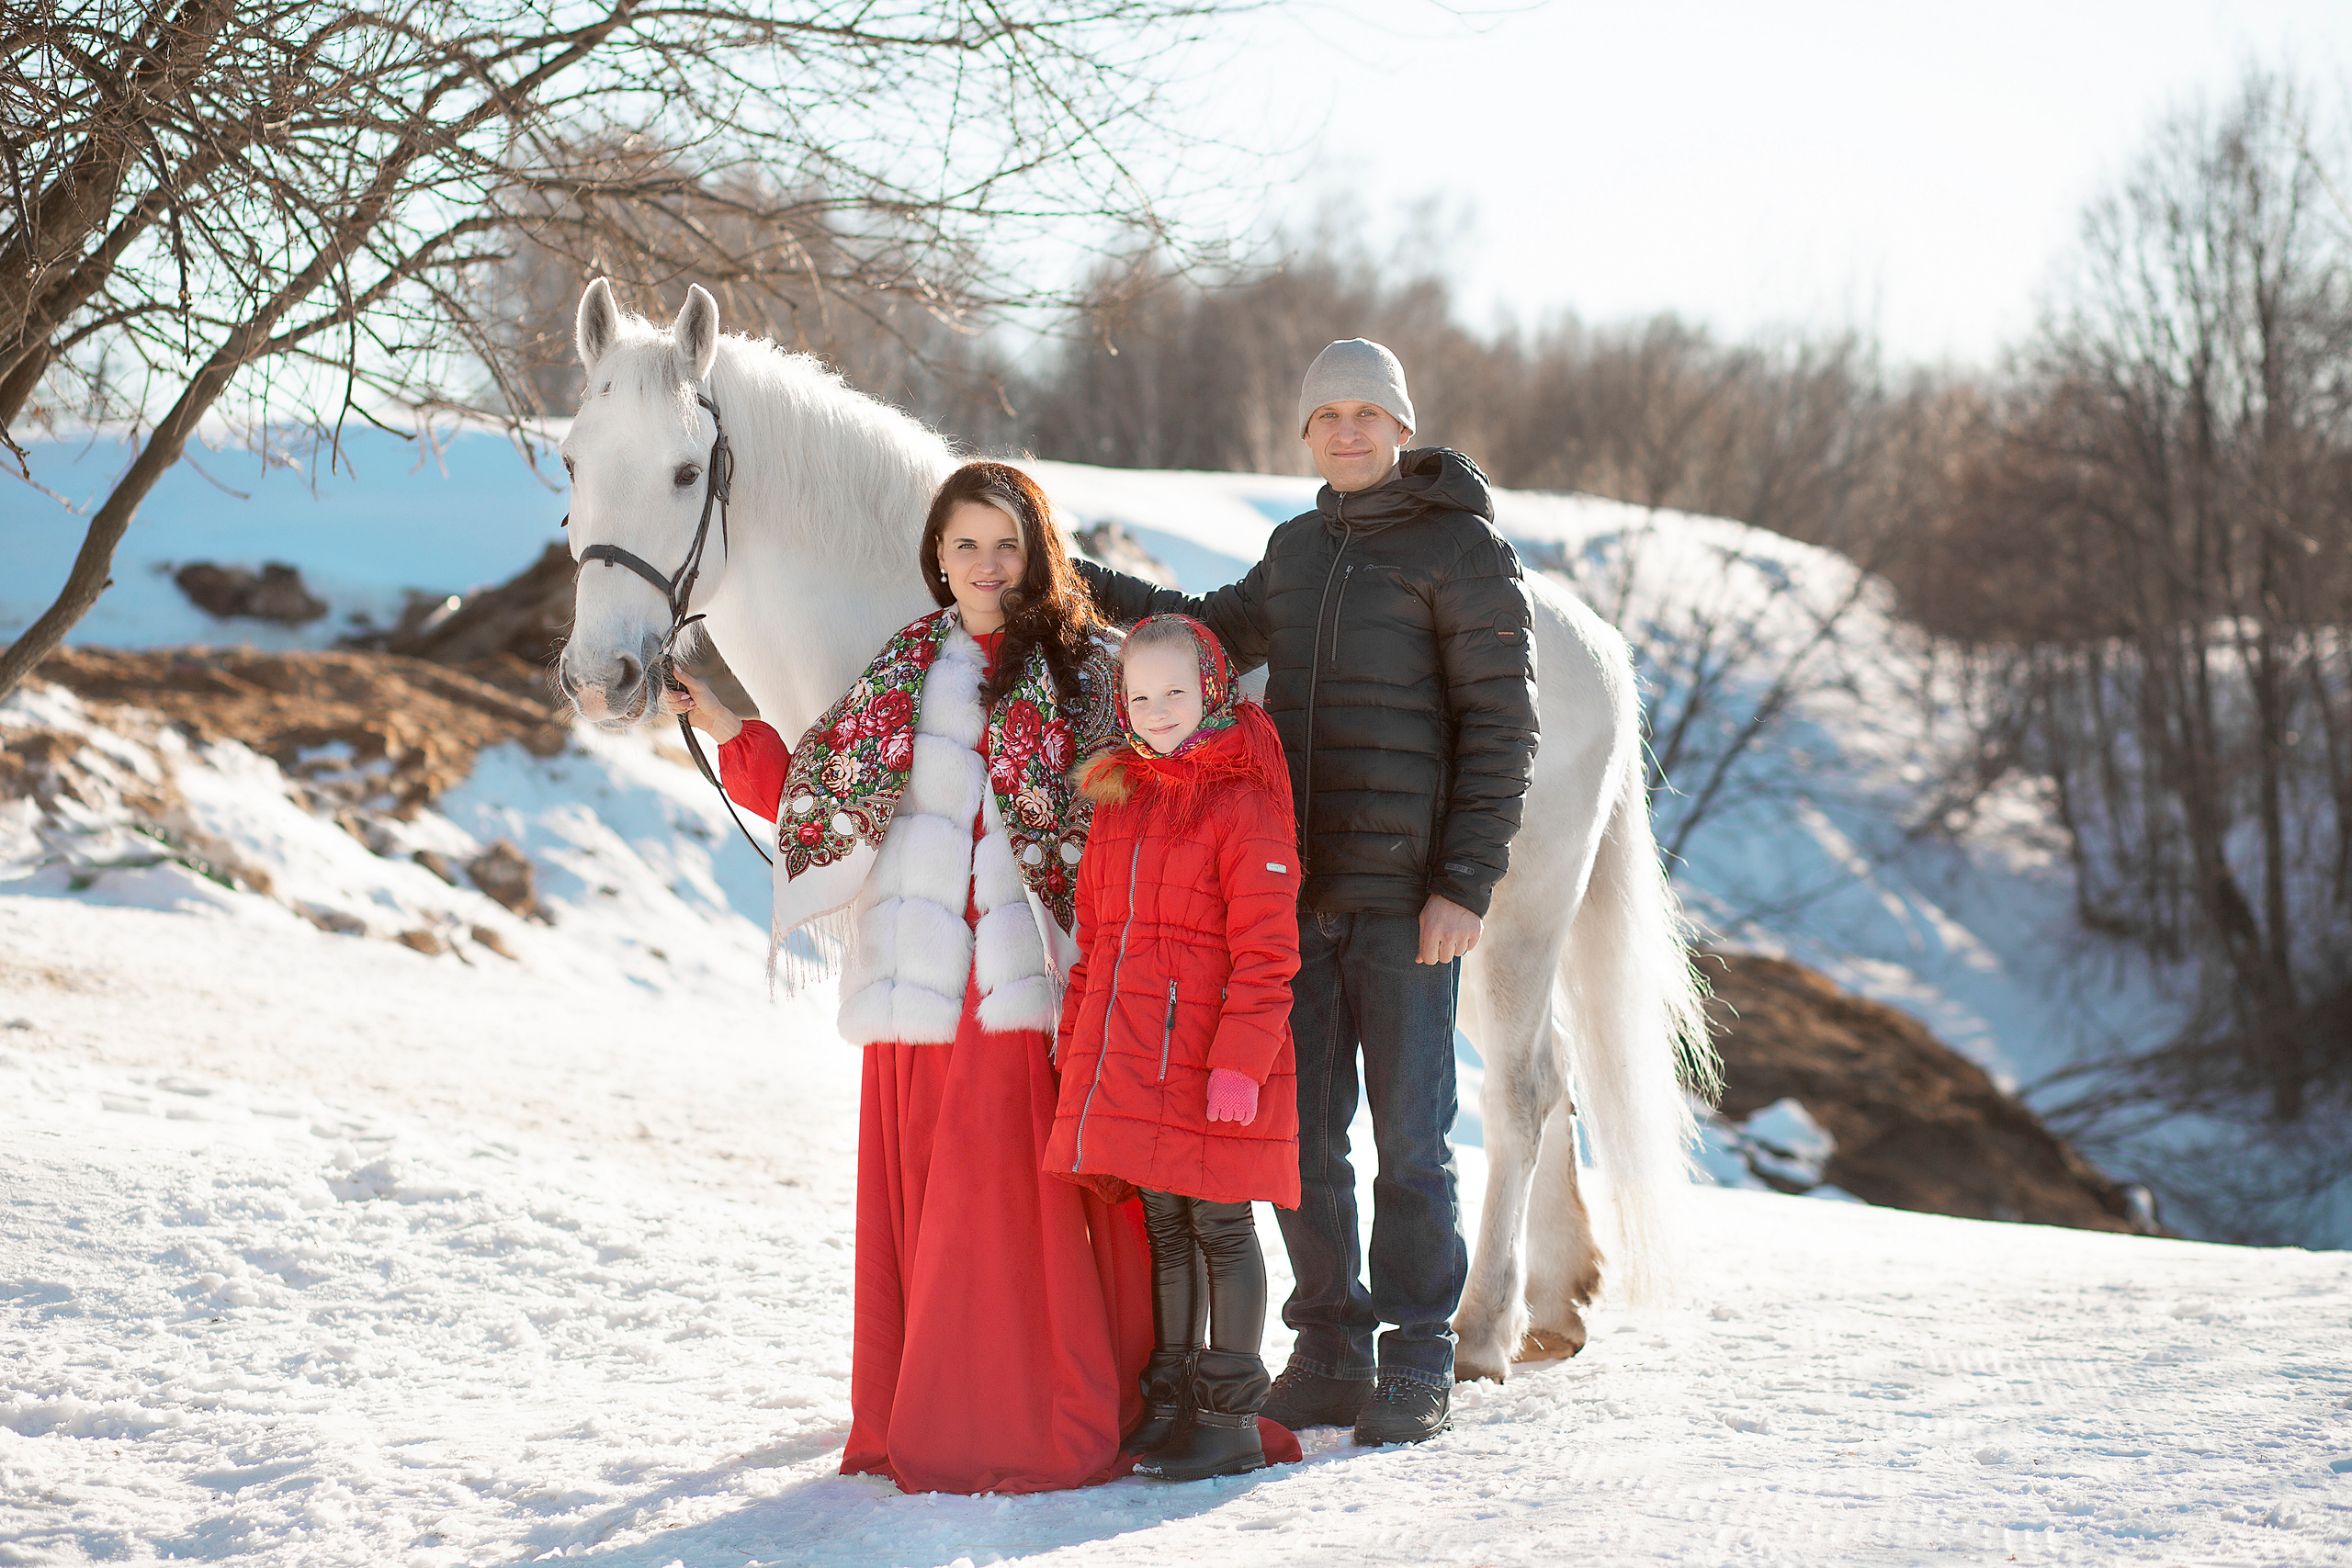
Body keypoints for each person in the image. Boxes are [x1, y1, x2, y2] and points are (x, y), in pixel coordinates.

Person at [1070, 339, 1540, 1445]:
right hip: (1293, 893)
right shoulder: (1296, 548)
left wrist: (1462, 884)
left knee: (1409, 1142)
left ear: (1400, 426)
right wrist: (1070, 576)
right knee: (1304, 1137)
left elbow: (1501, 729)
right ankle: (1329, 1343)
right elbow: (1202, 632)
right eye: (1324, 415)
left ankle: (1416, 1354)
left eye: (1365, 413)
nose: (1345, 431)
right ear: (1305, 435)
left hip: (1405, 903)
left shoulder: (1463, 550)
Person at [667, 460, 1153, 1495]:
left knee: (1015, 1201)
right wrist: (730, 731)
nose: (985, 565)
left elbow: (1132, 816)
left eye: (1006, 545)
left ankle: (1032, 1420)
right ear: (936, 555)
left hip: (1027, 980)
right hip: (918, 980)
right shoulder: (908, 661)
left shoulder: (1086, 666)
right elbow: (827, 783)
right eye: (965, 544)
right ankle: (919, 1411)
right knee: (931, 1195)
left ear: (1038, 556)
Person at [1043, 614, 1305, 1483]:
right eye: (1140, 694)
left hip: (1209, 1061)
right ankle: (1170, 1399)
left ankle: (1229, 1417)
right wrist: (1077, 1050)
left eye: (1175, 693)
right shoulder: (1121, 796)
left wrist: (1243, 1060)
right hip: (1134, 1062)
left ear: (1215, 690)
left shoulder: (1245, 799)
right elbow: (1098, 944)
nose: (1157, 710)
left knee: (1222, 1224)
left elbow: (1267, 950)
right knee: (1164, 1224)